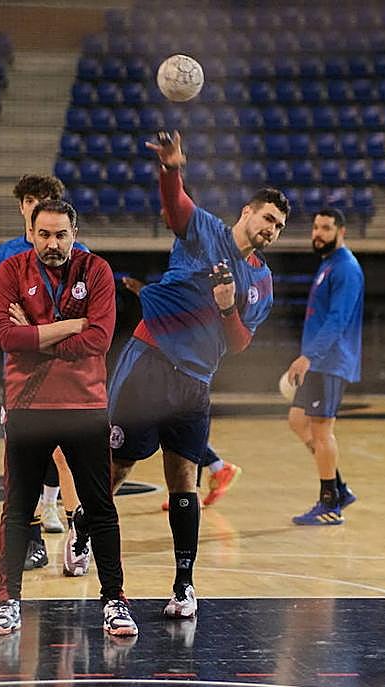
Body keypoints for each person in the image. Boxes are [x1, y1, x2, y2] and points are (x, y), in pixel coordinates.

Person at [107, 130, 288, 619]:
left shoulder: (262, 282)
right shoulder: (204, 230)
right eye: (268, 218)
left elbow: (240, 343)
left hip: (195, 381)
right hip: (148, 360)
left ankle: (184, 584)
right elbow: (175, 206)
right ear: (247, 213)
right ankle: (84, 531)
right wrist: (171, 168)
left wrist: (228, 308)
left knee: (183, 479)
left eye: (279, 226)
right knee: (117, 467)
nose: (271, 230)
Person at [0, 199, 137, 638]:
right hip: (27, 406)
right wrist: (71, 325)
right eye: (45, 234)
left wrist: (37, 336)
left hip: (85, 407)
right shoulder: (10, 270)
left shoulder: (96, 270)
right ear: (31, 233)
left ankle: (115, 601)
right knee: (17, 509)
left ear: (74, 234)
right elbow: (7, 337)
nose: (53, 243)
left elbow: (99, 339)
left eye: (61, 235)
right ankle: (8, 601)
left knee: (100, 508)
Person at [0, 174, 91, 569]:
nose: (37, 206)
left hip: (68, 373)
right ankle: (32, 541)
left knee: (66, 457)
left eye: (45, 199)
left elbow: (87, 323)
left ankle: (77, 536)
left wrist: (36, 329)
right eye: (31, 200)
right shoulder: (6, 257)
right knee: (23, 460)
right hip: (22, 375)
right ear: (23, 209)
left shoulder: (81, 258)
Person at [120, 275, 242, 510]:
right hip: (184, 366)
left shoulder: (206, 291)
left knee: (172, 426)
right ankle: (214, 470)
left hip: (188, 368)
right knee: (174, 427)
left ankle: (203, 479)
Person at [284, 207, 365, 526]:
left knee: (321, 430)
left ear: (341, 232)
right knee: (297, 420)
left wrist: (309, 356)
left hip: (331, 361)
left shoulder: (346, 268)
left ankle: (330, 503)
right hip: (319, 360)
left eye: (326, 228)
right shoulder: (328, 264)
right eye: (316, 227)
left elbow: (337, 320)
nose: (318, 233)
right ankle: (339, 487)